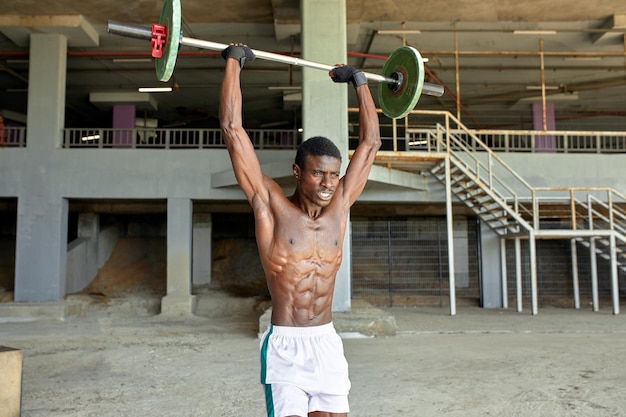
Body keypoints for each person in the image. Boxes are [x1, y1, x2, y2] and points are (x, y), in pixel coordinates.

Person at [219, 44, 381, 417]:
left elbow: (370, 143)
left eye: (333, 173)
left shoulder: (340, 207)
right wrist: (233, 63)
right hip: (286, 347)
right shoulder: (270, 206)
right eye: (318, 172)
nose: (328, 182)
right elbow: (232, 129)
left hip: (327, 343)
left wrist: (359, 81)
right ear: (298, 172)